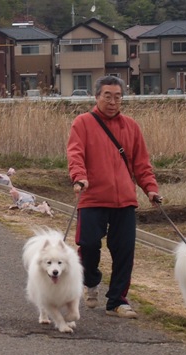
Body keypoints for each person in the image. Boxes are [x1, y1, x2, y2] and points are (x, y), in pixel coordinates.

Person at [67, 75, 162, 319]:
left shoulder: (131, 126)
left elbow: (141, 163)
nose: (112, 101)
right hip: (92, 196)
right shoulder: (83, 123)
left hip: (124, 200)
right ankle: (90, 280)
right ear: (96, 96)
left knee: (124, 251)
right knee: (87, 245)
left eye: (117, 97)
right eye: (107, 96)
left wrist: (150, 188)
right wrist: (79, 177)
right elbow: (75, 154)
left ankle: (117, 301)